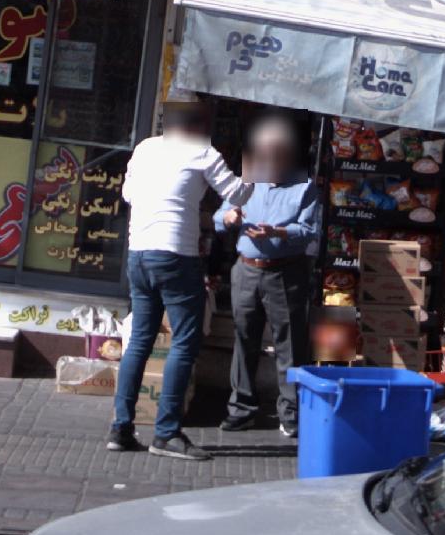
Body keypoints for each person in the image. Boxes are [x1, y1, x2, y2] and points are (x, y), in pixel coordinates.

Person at [109, 104, 253, 463]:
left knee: (139, 340)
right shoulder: (201, 151)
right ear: (196, 125)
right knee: (185, 341)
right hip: (175, 256)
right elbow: (239, 194)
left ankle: (121, 428)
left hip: (138, 254)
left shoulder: (144, 148)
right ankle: (166, 433)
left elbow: (128, 195)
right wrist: (256, 167)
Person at [215, 115, 321, 439]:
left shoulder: (304, 187)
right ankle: (241, 409)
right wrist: (229, 217)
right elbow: (219, 217)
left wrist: (279, 232)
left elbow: (310, 232)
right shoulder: (247, 183)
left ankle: (290, 414)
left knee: (290, 345)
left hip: (285, 272)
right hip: (246, 269)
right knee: (244, 339)